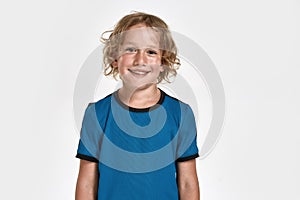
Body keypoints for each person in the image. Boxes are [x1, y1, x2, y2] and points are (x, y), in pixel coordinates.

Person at [75, 12, 200, 200]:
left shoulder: (181, 114)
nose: (140, 60)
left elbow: (187, 183)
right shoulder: (97, 114)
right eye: (131, 49)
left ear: (163, 62)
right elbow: (86, 183)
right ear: (115, 58)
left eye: (151, 52)